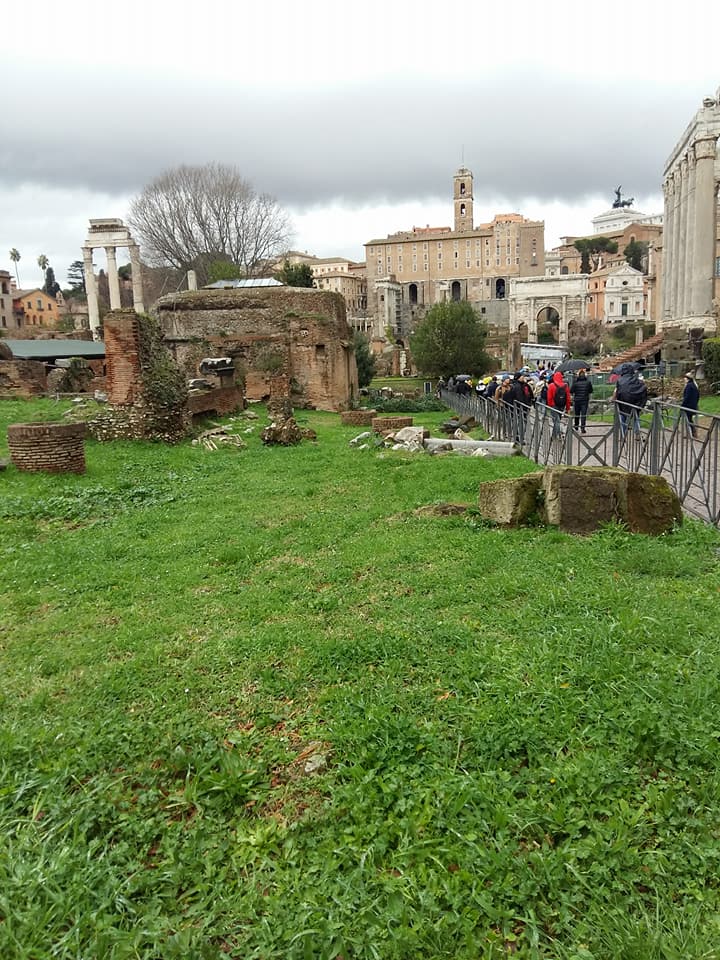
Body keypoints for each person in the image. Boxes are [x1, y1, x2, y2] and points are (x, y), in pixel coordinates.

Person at [614, 363, 647, 439]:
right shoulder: (637, 380)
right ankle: (637, 433)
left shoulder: (619, 381)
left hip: (623, 403)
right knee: (636, 417)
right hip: (634, 403)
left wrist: (616, 400)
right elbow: (642, 389)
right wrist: (640, 404)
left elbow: (618, 392)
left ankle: (623, 434)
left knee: (623, 417)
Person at [546, 370, 570, 436]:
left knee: (556, 421)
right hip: (562, 405)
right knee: (558, 419)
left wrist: (549, 405)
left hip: (554, 405)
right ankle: (554, 434)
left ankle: (558, 434)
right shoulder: (566, 386)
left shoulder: (551, 385)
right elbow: (568, 398)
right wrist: (568, 408)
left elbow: (549, 397)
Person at [570, 368, 593, 433]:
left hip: (577, 400)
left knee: (577, 414)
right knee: (583, 414)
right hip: (585, 400)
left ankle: (576, 425)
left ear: (578, 375)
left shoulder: (575, 382)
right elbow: (591, 390)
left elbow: (571, 391)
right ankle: (583, 428)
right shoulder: (588, 382)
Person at [681, 370, 700, 439]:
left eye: (685, 378)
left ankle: (692, 432)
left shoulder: (689, 386)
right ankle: (691, 433)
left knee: (688, 419)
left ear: (688, 379)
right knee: (689, 419)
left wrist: (682, 405)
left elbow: (687, 396)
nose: (684, 379)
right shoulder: (694, 385)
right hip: (693, 405)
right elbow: (698, 395)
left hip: (688, 406)